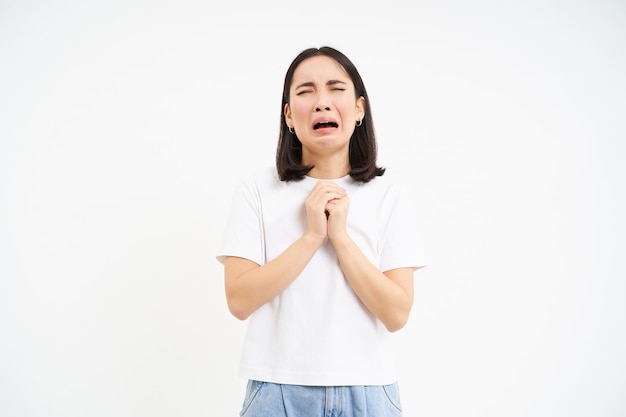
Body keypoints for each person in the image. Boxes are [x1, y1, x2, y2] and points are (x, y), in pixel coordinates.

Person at [217, 46, 426, 417]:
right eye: (305, 91)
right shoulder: (257, 189)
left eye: (335, 88)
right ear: (289, 115)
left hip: (369, 391)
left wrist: (341, 238)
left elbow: (396, 313)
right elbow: (239, 300)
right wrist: (312, 237)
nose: (321, 102)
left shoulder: (387, 196)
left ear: (359, 109)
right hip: (276, 390)